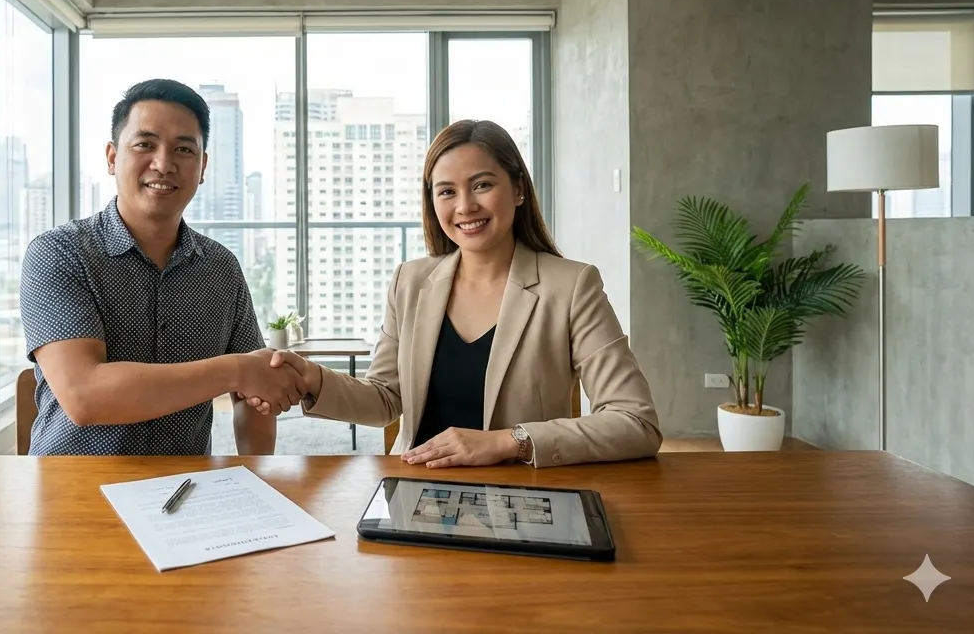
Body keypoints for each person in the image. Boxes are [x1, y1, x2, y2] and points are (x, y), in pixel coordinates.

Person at [245, 119, 662, 468]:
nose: (464, 206)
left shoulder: (572, 287)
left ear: (518, 189)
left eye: (481, 185)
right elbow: (385, 399)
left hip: (525, 497)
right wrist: (313, 378)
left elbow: (635, 421)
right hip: (414, 488)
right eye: (446, 191)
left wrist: (508, 441)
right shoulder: (410, 282)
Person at [20, 78, 304, 456]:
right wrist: (235, 369)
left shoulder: (221, 268)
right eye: (144, 145)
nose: (163, 163)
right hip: (75, 489)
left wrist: (255, 474)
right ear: (111, 157)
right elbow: (85, 396)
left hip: (184, 489)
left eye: (183, 149)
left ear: (202, 167)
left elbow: (253, 397)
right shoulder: (59, 253)